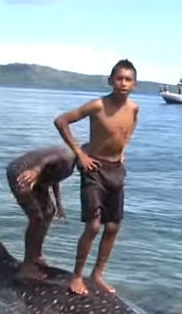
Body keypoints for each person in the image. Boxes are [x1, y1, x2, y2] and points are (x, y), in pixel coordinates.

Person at [54, 59, 139, 295]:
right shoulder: (98, 106)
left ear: (134, 84)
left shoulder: (133, 108)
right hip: (94, 169)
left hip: (116, 170)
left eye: (128, 79)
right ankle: (77, 276)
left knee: (112, 226)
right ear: (111, 81)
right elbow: (61, 121)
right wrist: (80, 154)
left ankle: (97, 275)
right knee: (92, 226)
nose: (123, 83)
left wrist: (122, 151)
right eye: (119, 78)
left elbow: (128, 129)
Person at [6, 145, 80, 279]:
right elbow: (47, 160)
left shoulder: (69, 166)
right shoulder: (67, 157)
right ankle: (28, 264)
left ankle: (36, 255)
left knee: (49, 212)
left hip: (39, 179)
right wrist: (35, 171)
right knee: (36, 219)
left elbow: (54, 177)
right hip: (21, 173)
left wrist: (59, 204)